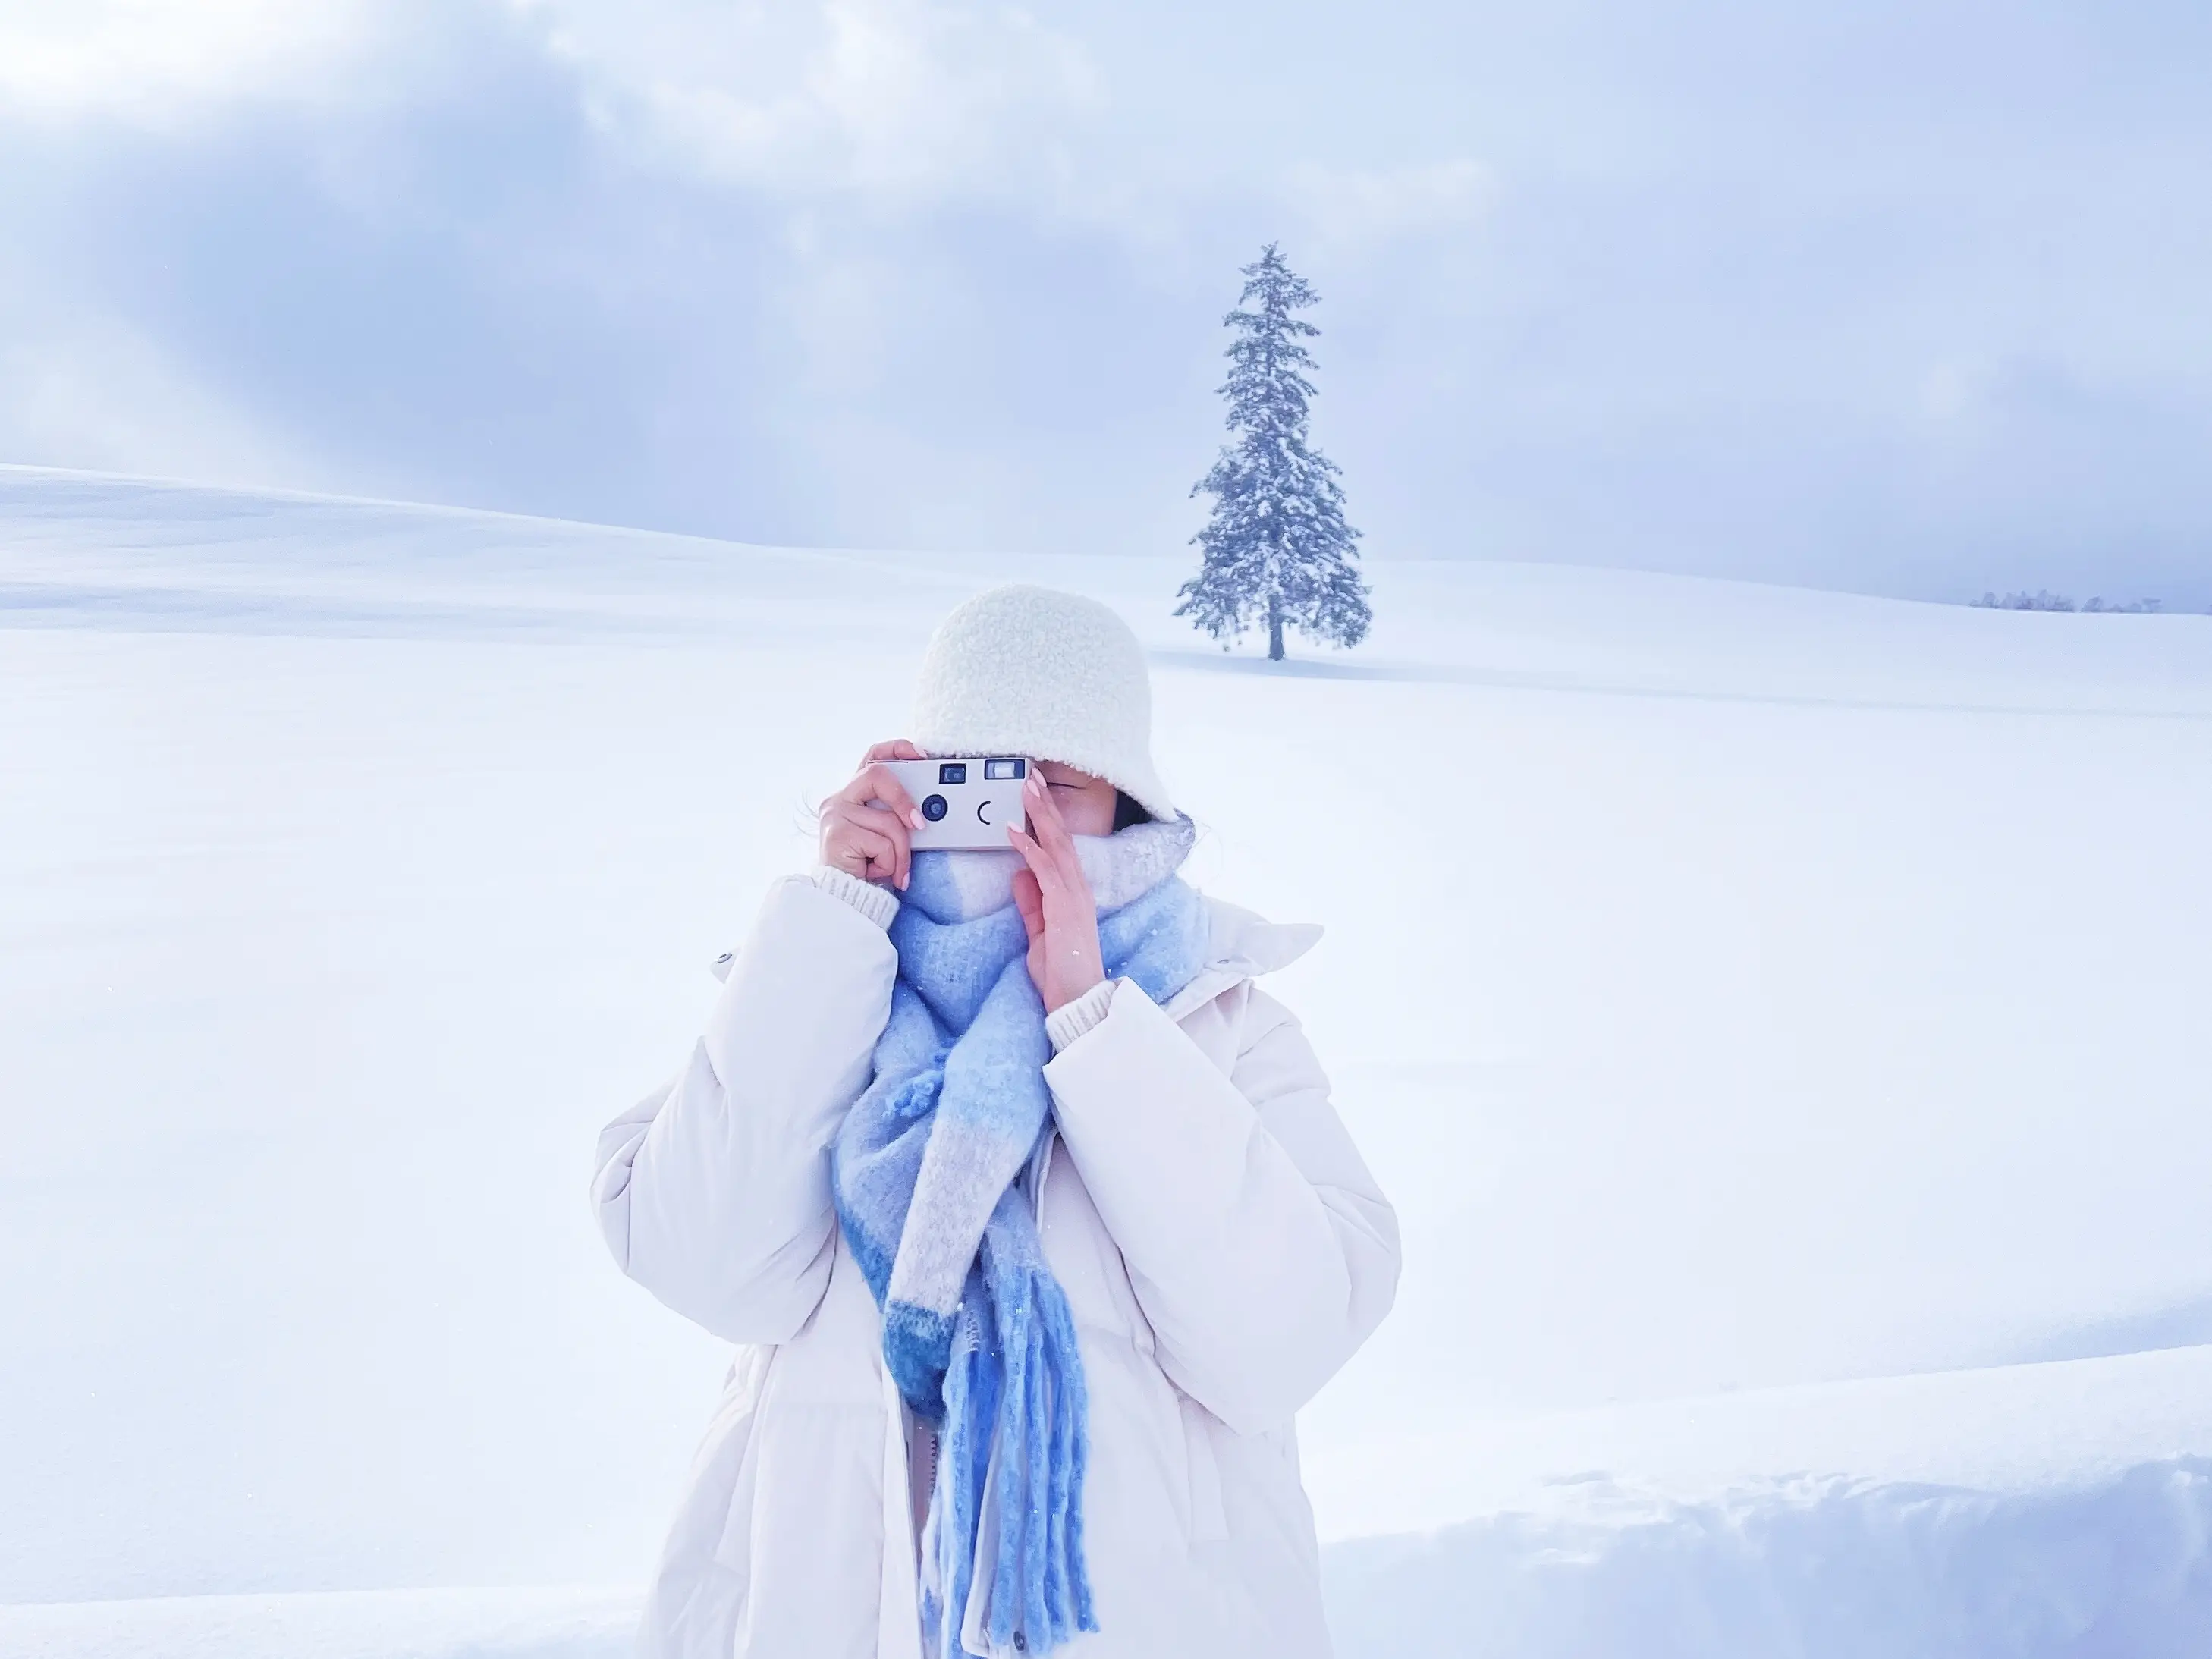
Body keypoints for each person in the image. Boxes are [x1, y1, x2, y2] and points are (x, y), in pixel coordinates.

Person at [593, 584, 1400, 1659]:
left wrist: (1095, 1022)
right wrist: (833, 920)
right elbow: (704, 1260)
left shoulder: (1217, 1015)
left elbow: (1284, 1340)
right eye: (972, 780)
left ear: (1127, 803)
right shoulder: (826, 989)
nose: (1011, 822)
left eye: (1054, 786)